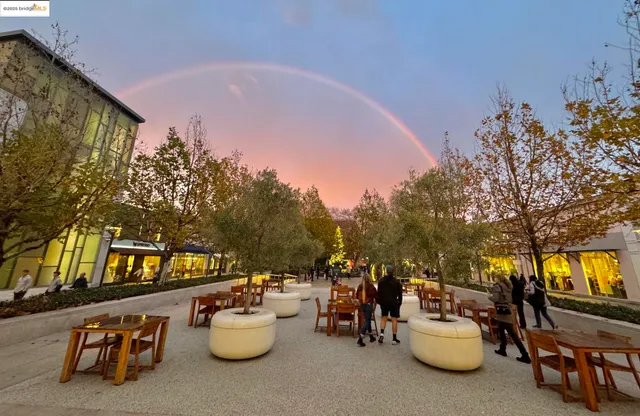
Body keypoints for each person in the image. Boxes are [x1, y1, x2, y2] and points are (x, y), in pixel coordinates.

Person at [489, 276, 532, 363]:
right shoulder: (509, 287)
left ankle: (525, 354)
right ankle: (502, 348)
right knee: (501, 329)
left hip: (502, 311)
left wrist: (489, 296)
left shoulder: (497, 287)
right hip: (508, 310)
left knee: (512, 333)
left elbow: (495, 299)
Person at [377, 265, 403, 345]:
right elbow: (400, 293)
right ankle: (394, 339)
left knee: (383, 318)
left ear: (386, 271)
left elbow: (379, 293)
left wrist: (380, 302)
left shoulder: (381, 281)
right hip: (393, 302)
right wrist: (399, 302)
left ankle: (381, 334)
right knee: (394, 320)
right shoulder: (396, 282)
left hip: (384, 302)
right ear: (393, 271)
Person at [356, 273, 378, 346]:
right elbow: (376, 296)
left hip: (362, 305)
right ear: (369, 279)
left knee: (367, 319)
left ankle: (371, 336)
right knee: (367, 320)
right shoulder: (371, 287)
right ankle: (361, 337)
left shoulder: (360, 286)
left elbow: (356, 296)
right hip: (369, 305)